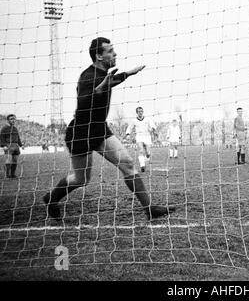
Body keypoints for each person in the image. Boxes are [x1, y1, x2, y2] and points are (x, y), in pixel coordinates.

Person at [43, 37, 174, 221]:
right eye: (110, 51)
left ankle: (149, 208)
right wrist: (101, 87)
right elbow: (84, 100)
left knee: (128, 164)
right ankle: (51, 198)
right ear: (99, 56)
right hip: (80, 132)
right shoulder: (87, 77)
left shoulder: (105, 74)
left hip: (99, 130)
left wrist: (128, 73)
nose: (115, 53)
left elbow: (112, 81)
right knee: (80, 179)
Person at [125, 106, 157, 172]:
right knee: (141, 150)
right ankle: (142, 165)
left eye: (141, 111)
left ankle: (144, 160)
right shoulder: (134, 121)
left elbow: (153, 126)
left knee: (148, 153)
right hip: (139, 136)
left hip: (147, 136)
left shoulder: (147, 119)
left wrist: (153, 130)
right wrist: (128, 134)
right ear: (137, 112)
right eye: (139, 111)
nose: (140, 113)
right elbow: (129, 128)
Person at [0, 114, 23, 178]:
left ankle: (13, 174)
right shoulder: (4, 128)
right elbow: (1, 137)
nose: (13, 120)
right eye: (11, 119)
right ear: (8, 120)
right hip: (8, 145)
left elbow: (18, 137)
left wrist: (21, 145)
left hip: (16, 146)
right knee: (8, 160)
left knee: (15, 160)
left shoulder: (15, 128)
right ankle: (7, 175)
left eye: (14, 119)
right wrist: (3, 145)